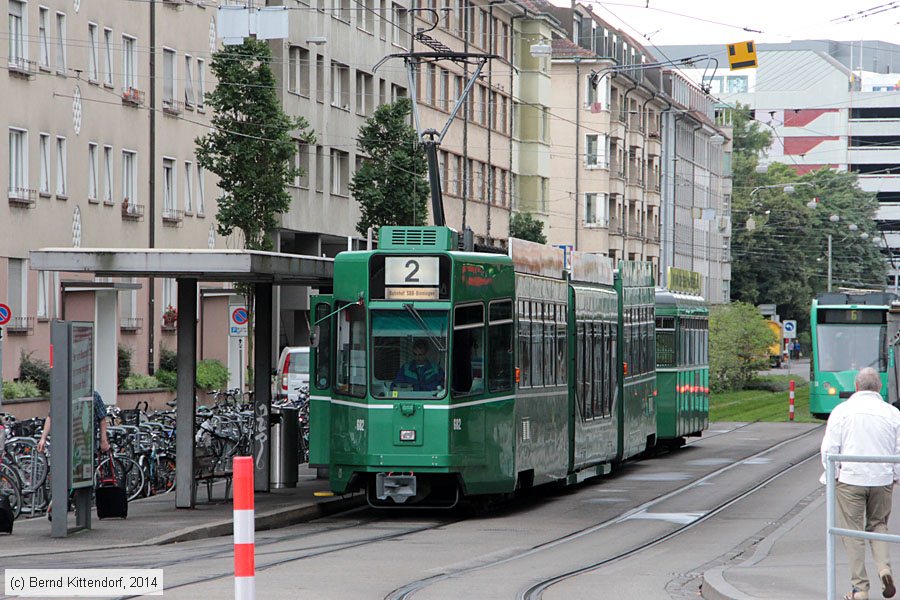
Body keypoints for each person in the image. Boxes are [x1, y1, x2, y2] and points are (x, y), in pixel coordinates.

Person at [821, 367, 900, 600]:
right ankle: (884, 569)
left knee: (852, 533)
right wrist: (895, 474)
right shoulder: (893, 413)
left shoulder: (841, 411)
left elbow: (829, 449)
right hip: (881, 479)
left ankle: (860, 589)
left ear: (856, 387)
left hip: (850, 480)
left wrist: (832, 475)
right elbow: (898, 449)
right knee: (879, 525)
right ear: (880, 388)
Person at [37, 390, 110, 454]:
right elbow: (51, 416)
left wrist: (103, 440)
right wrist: (43, 438)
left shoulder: (93, 395)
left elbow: (102, 419)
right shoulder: (64, 395)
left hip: (86, 445)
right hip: (66, 443)